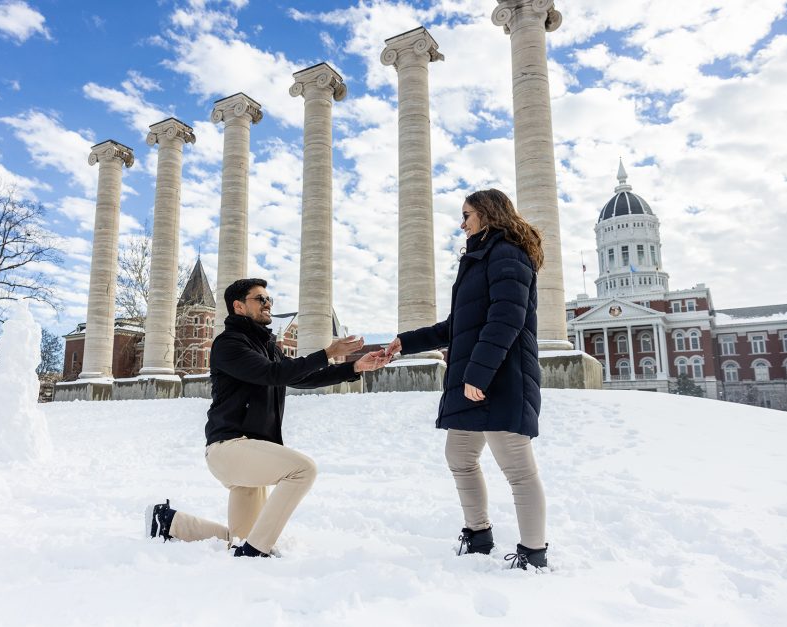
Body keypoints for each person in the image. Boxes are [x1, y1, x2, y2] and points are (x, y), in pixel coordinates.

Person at [147, 278, 389, 557]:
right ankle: (254, 553)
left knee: (242, 536)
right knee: (303, 470)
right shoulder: (229, 345)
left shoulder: (268, 346)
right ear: (239, 306)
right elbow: (273, 374)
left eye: (269, 299)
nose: (268, 303)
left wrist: (353, 367)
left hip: (253, 452)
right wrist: (328, 352)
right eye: (260, 299)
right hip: (230, 447)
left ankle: (169, 522)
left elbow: (300, 377)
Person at [385, 188, 549, 570]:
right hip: (475, 379)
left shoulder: (509, 253)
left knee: (518, 469)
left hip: (500, 378)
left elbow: (506, 319)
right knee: (459, 456)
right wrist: (403, 342)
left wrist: (479, 374)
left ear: (488, 214)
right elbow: (457, 326)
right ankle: (478, 534)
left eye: (466, 215)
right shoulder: (479, 258)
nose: (461, 224)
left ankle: (533, 553)